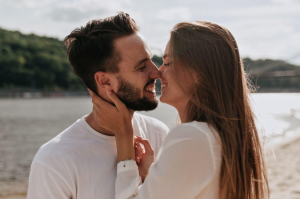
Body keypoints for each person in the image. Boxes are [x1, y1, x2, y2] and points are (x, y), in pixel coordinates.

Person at [89, 21, 269, 199]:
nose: (159, 72)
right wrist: (151, 174)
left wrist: (123, 137)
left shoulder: (193, 137)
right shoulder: (221, 136)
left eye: (168, 62)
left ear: (198, 73)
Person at [27, 13, 169, 199]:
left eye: (151, 60)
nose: (156, 72)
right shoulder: (55, 161)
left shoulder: (158, 133)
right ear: (105, 81)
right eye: (141, 67)